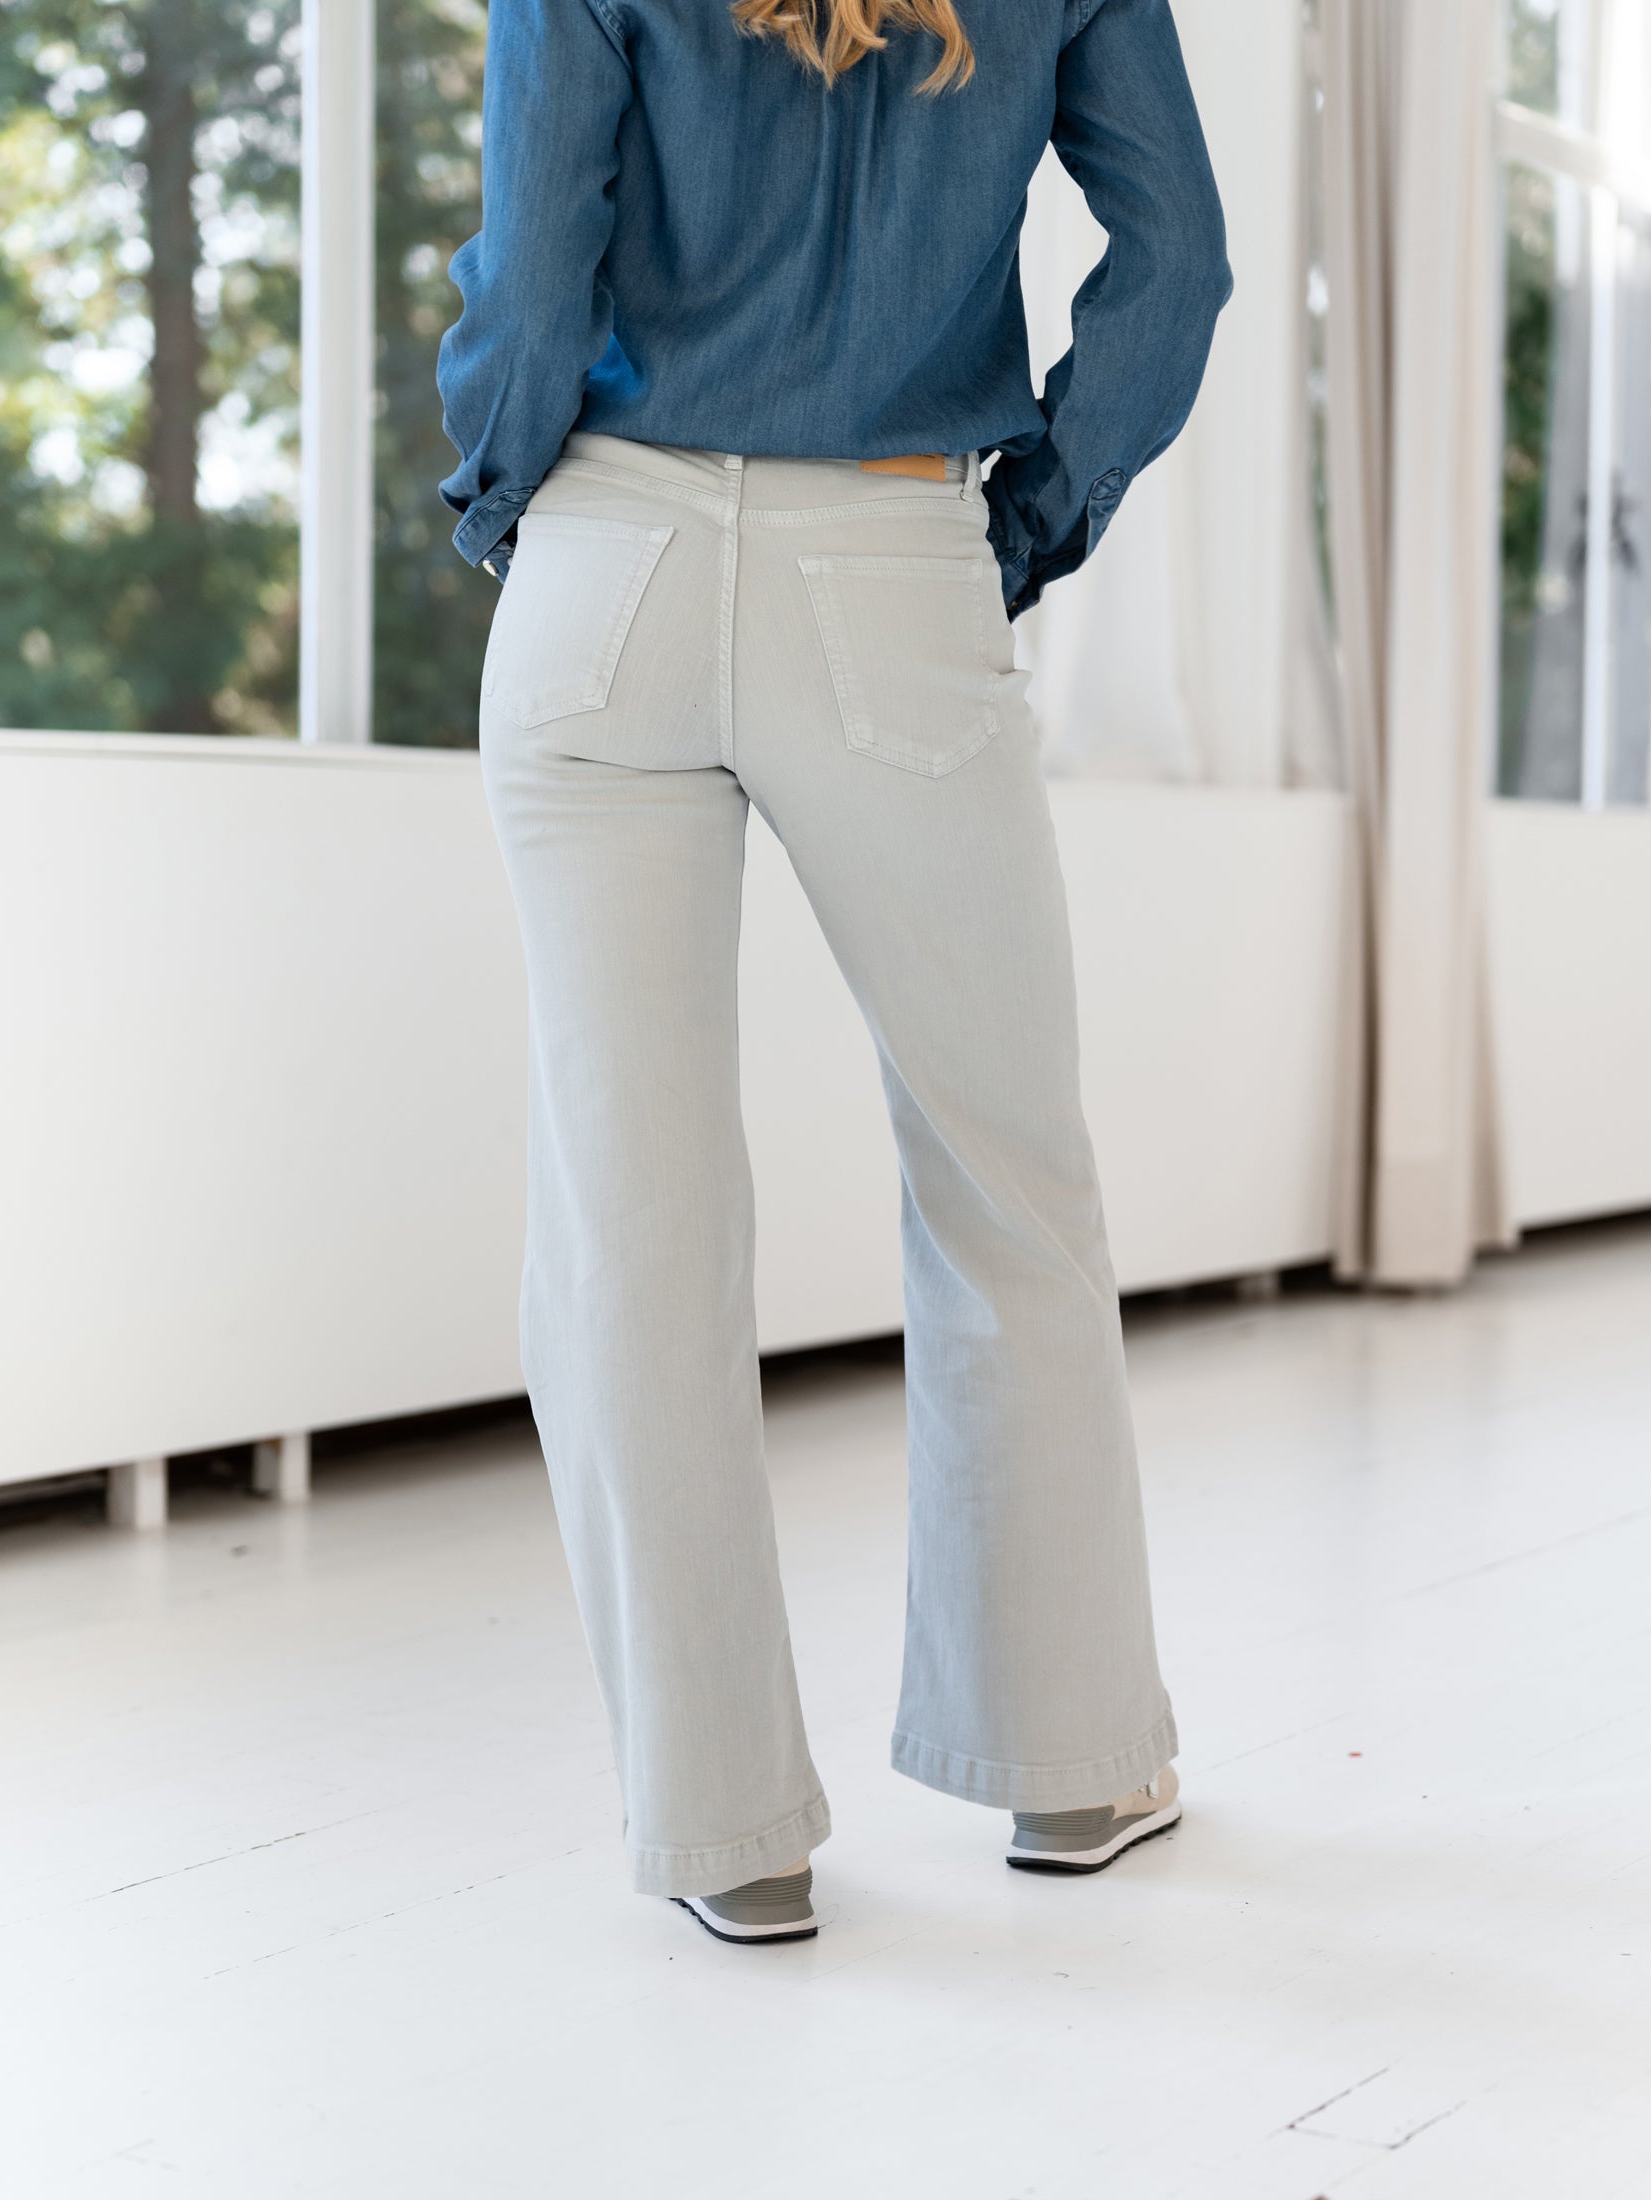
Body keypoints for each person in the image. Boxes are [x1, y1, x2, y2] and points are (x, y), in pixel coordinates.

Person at [437, 0, 1230, 1945]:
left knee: (632, 1220)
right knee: (1002, 1179)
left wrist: (498, 501)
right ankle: (1068, 1764)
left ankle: (724, 1828)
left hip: (600, 557)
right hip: (891, 555)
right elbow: (1181, 263)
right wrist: (1027, 519)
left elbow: (532, 263)